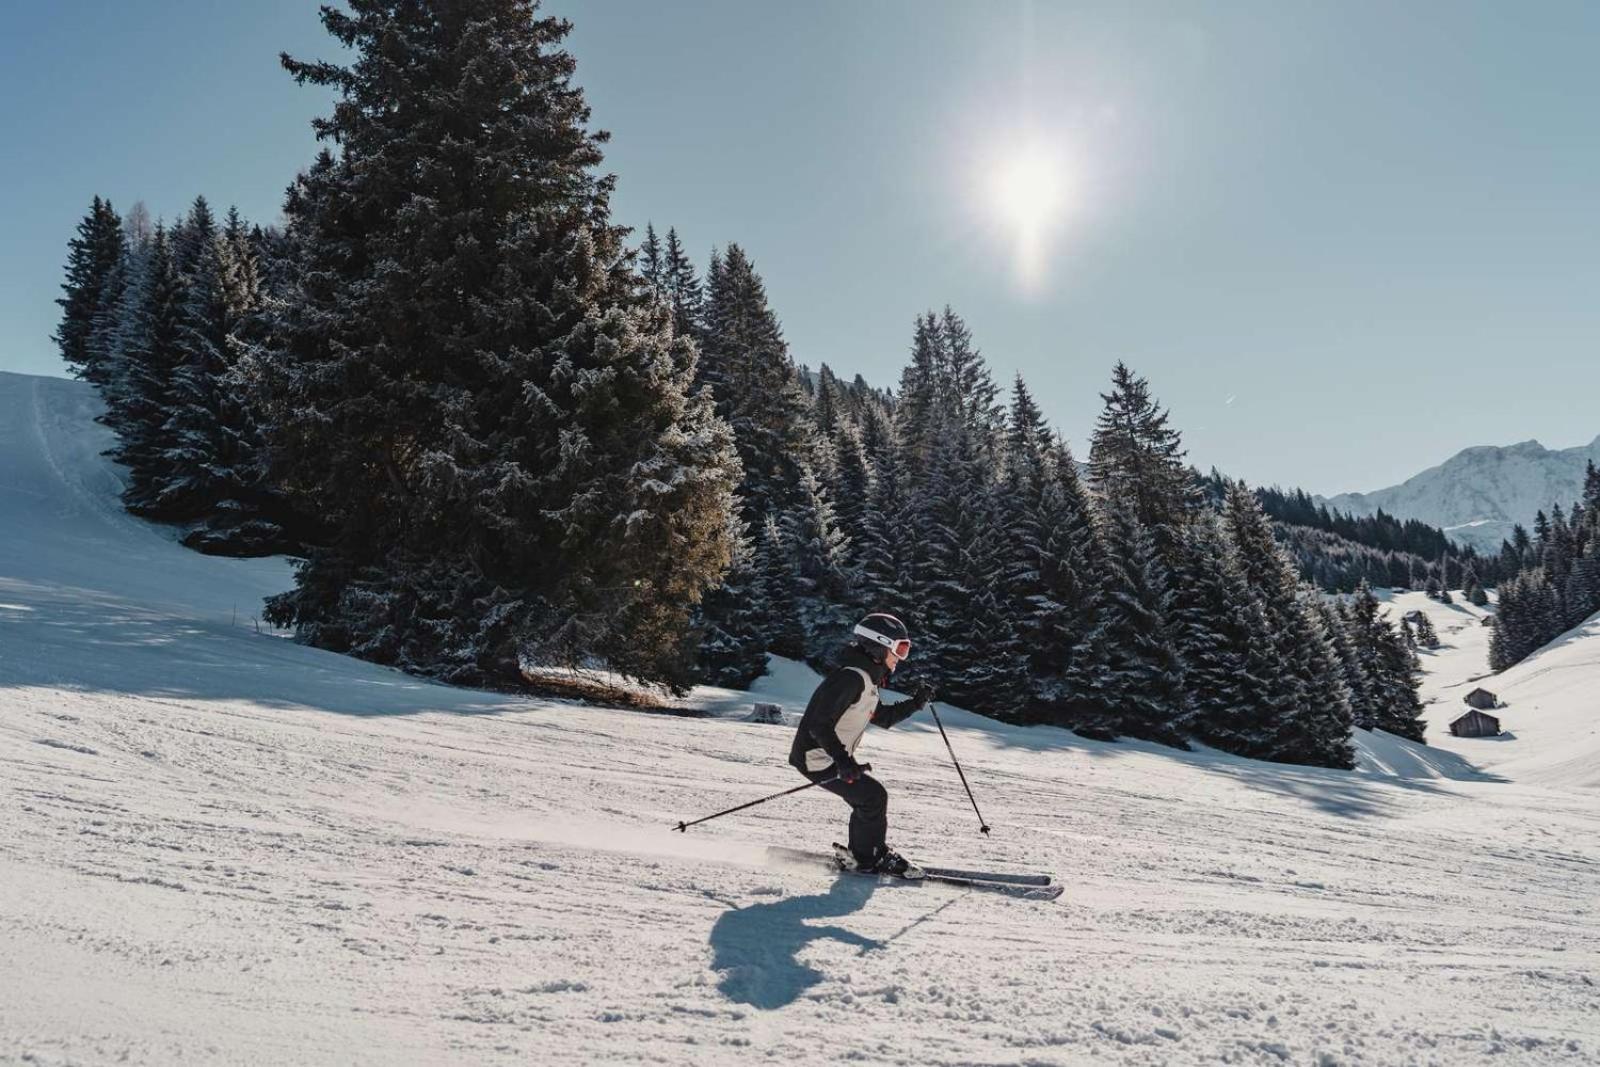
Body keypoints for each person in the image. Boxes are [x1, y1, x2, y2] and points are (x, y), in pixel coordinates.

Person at [788, 612, 935, 875]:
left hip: (829, 757)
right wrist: (844, 762)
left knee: (868, 798)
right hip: (817, 758)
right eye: (899, 649)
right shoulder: (850, 679)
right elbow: (819, 724)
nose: (901, 658)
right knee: (872, 797)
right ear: (879, 645)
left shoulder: (866, 682)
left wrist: (915, 703)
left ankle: (863, 854)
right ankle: (869, 858)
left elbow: (884, 717)